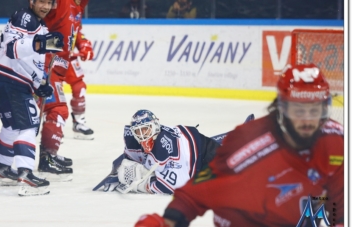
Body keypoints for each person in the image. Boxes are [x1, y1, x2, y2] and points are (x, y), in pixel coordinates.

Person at [134, 64, 344, 226]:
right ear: (281, 108)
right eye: (299, 110)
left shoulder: (335, 141)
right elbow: (194, 194)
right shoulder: (248, 145)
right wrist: (165, 223)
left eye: (315, 110)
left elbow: (341, 197)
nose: (308, 121)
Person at [0, 0, 64, 195]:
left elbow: (27, 62)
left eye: (49, 3)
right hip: (10, 80)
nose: (45, 6)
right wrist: (40, 43)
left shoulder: (38, 25)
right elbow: (12, 48)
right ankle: (25, 174)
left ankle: (2, 169)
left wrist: (40, 84)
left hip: (4, 79)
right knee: (29, 125)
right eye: (41, 2)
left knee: (12, 126)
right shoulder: (26, 17)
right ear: (32, 2)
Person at [36, 0, 94, 180]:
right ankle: (46, 158)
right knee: (56, 110)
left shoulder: (78, 6)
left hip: (59, 66)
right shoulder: (62, 2)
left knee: (59, 108)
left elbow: (76, 31)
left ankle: (49, 155)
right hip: (46, 65)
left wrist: (82, 43)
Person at [105, 109, 220, 194]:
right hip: (198, 148)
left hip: (211, 158)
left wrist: (143, 185)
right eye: (138, 131)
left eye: (145, 129)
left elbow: (178, 186)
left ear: (154, 126)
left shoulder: (164, 144)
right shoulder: (156, 137)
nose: (142, 135)